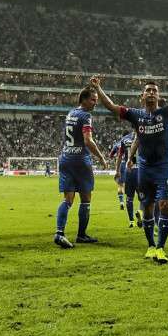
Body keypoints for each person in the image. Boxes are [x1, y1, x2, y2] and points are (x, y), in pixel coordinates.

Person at [92, 66, 168, 264]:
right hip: (145, 169)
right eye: (148, 90)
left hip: (164, 168)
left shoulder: (167, 113)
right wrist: (98, 88)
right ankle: (151, 246)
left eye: (155, 90)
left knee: (164, 204)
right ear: (142, 96)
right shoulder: (135, 115)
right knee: (148, 207)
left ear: (159, 96)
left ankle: (160, 248)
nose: (151, 92)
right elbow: (111, 106)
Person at [53, 85, 108, 248]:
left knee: (68, 199)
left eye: (96, 100)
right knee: (86, 198)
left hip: (65, 158)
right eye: (93, 100)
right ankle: (81, 235)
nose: (95, 103)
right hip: (80, 160)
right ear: (83, 99)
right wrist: (101, 157)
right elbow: (87, 140)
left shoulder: (71, 113)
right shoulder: (86, 116)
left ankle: (59, 233)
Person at [117, 130, 138, 228]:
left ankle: (131, 221)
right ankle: (140, 211)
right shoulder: (142, 137)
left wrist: (117, 171)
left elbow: (119, 155)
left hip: (128, 170)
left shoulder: (124, 139)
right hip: (140, 169)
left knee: (129, 197)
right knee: (146, 198)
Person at [109, 137, 126, 210]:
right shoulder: (132, 141)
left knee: (120, 186)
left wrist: (115, 156)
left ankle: (121, 202)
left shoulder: (117, 144)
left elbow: (110, 155)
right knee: (136, 186)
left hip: (121, 165)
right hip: (131, 165)